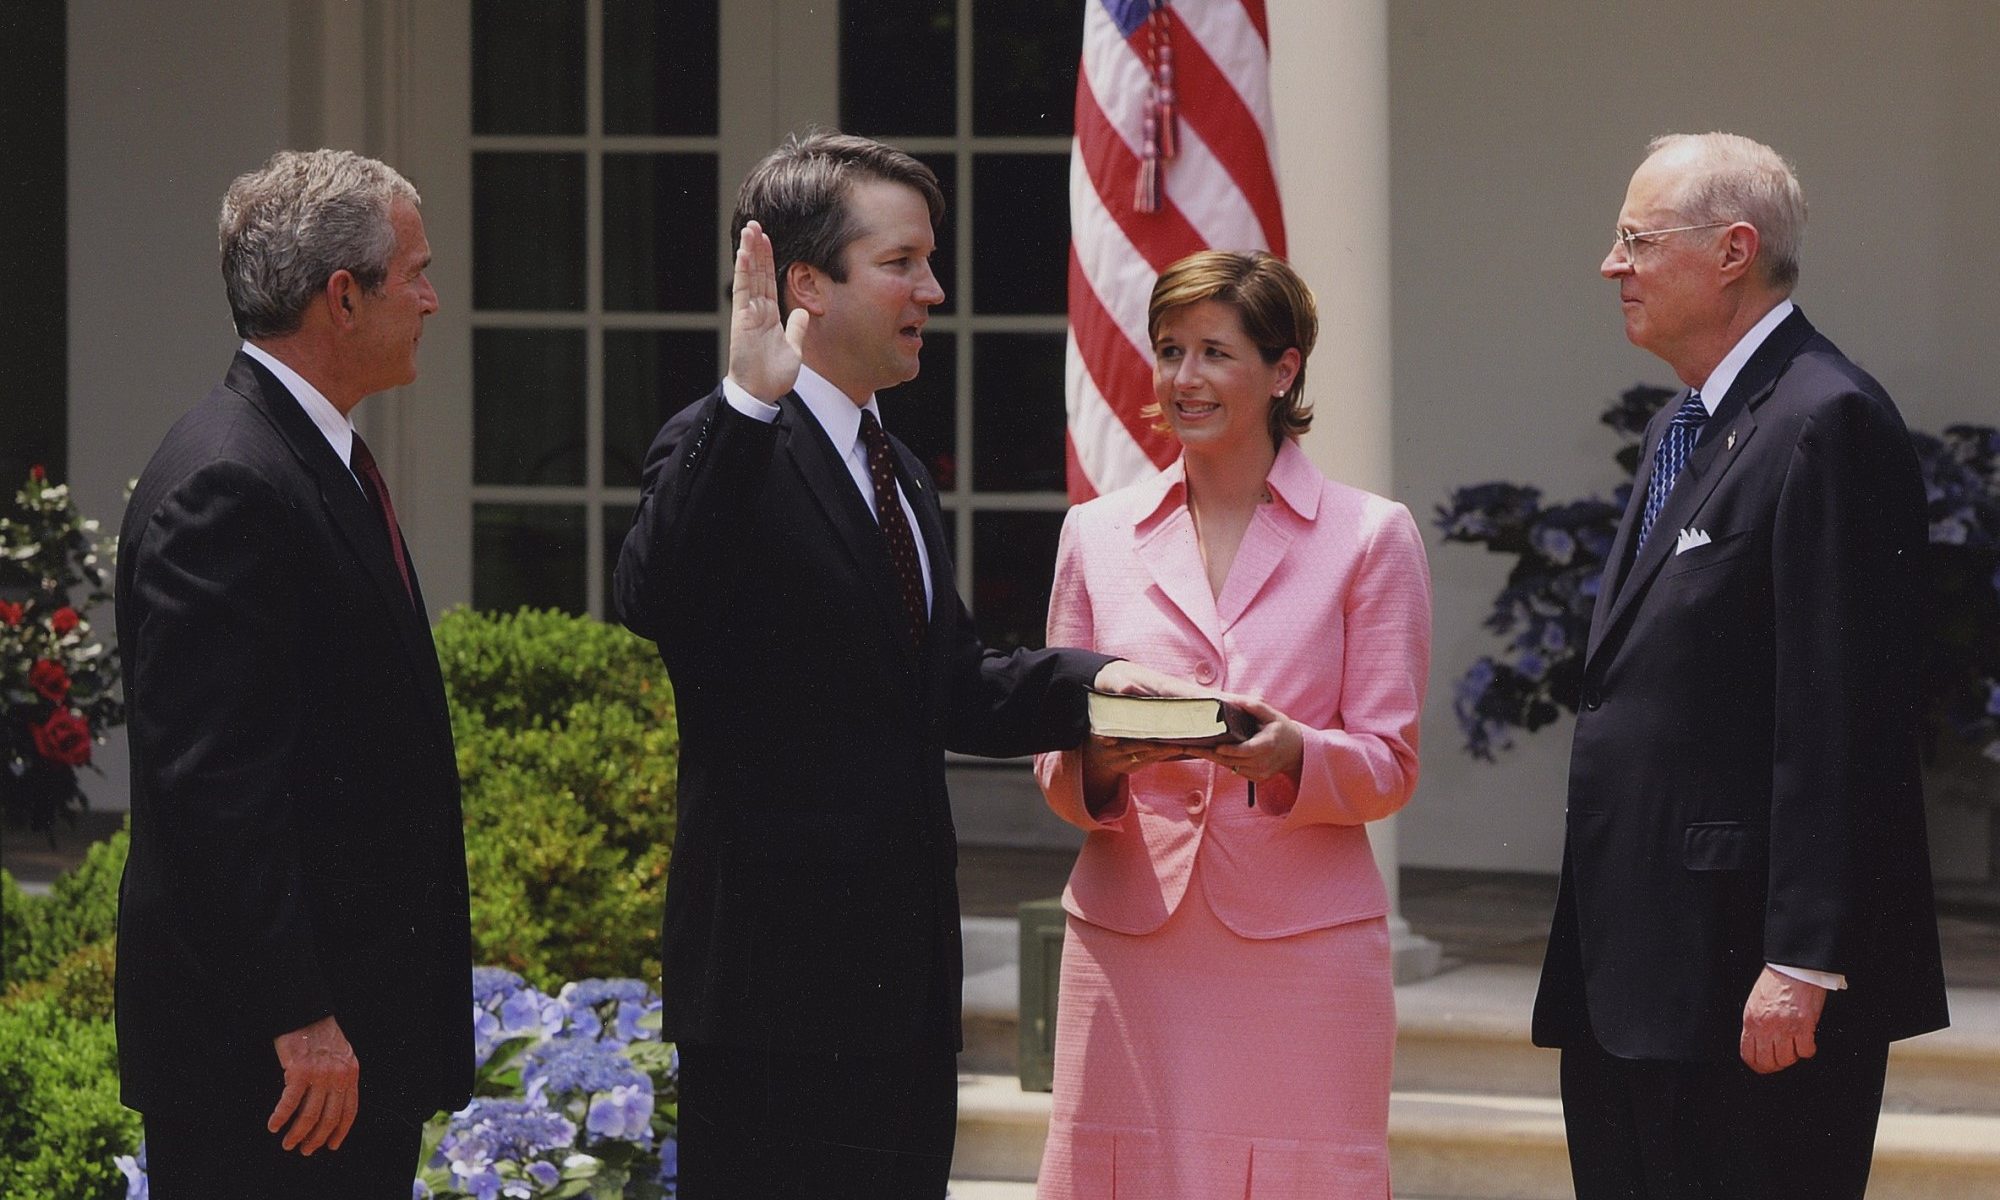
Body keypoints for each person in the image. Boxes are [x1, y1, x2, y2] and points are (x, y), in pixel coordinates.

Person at [613, 131, 1176, 1199]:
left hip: (901, 994)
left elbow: (948, 681)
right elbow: (657, 598)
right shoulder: (721, 443)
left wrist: (1097, 686)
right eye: (901, 262)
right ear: (804, 286)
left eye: (929, 260)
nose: (934, 287)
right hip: (771, 1003)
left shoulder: (896, 467)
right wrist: (744, 405)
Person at [1531, 132, 1949, 1199]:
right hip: (1639, 969)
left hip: (1743, 977)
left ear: (1730, 250)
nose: (1608, 265)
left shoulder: (1822, 419)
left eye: (1634, 239)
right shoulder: (1692, 419)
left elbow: (1840, 710)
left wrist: (1803, 958)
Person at [1033, 249, 1432, 1197]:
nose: (1184, 379)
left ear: (1283, 369)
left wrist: (1295, 753)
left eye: (1215, 352)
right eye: (1170, 351)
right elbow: (1053, 762)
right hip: (1128, 946)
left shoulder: (1371, 536)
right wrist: (1101, 762)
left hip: (1304, 952)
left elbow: (1390, 765)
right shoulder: (1094, 533)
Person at [115, 149, 469, 1198]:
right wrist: (298, 1014)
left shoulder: (304, 455)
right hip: (277, 1072)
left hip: (336, 1050)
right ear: (343, 296)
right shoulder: (231, 479)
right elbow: (215, 790)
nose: (432, 300)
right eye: (415, 272)